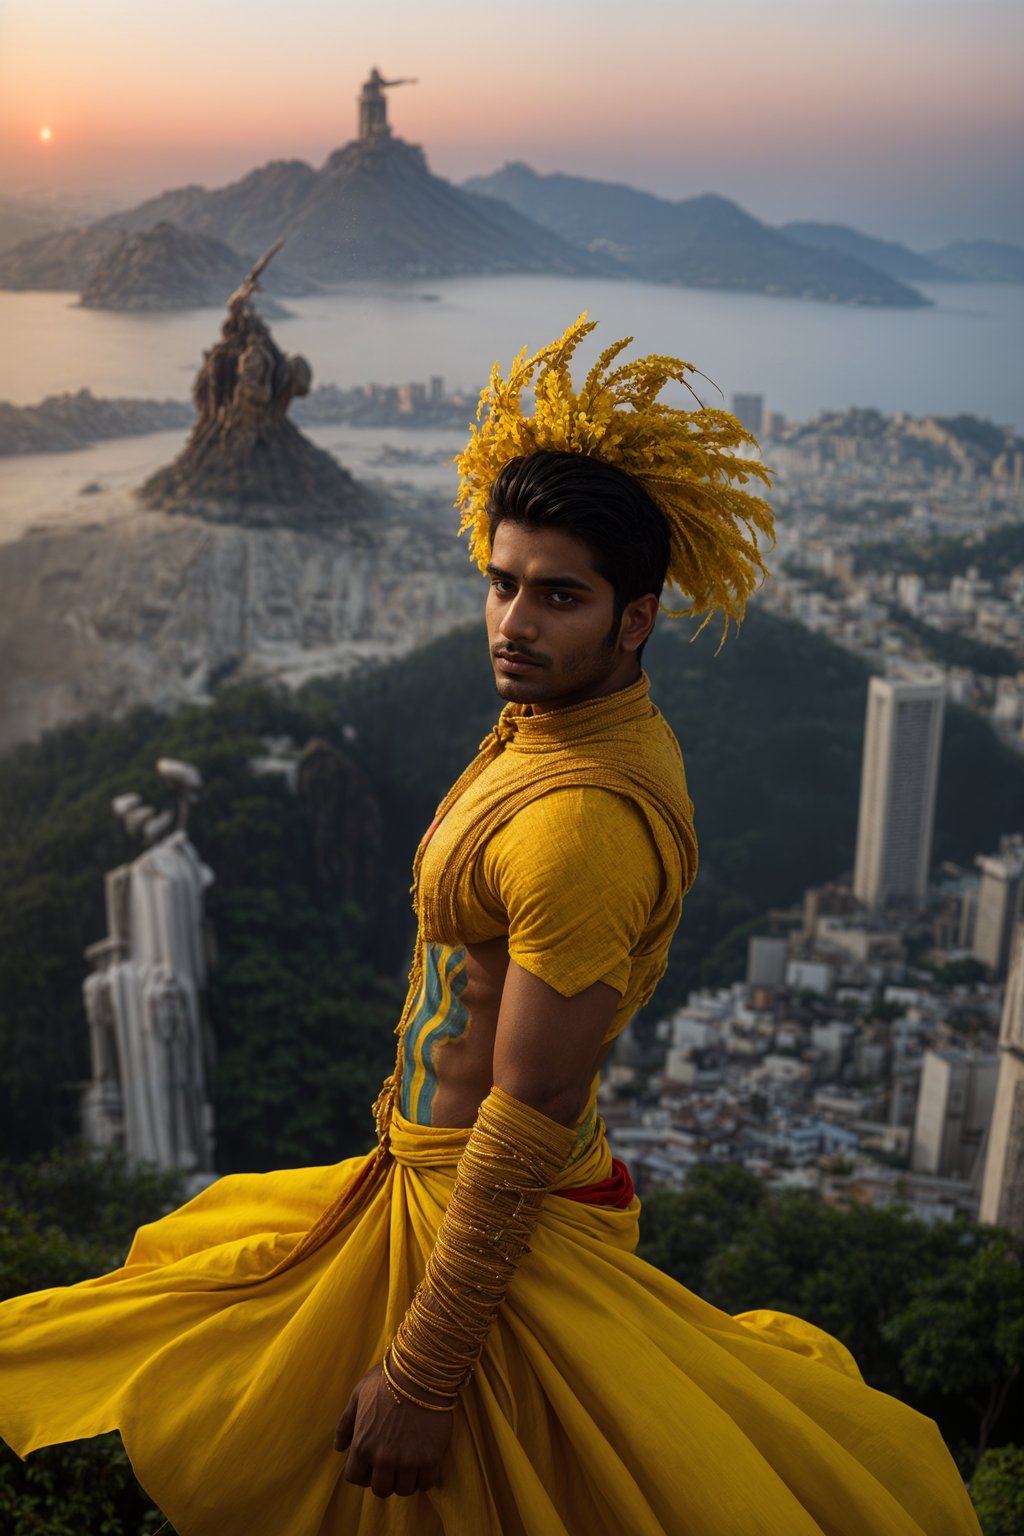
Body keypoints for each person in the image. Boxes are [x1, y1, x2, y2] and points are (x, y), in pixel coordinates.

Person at [0, 317, 980, 1536]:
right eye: (501, 582)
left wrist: (425, 1370)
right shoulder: (563, 731)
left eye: (559, 596)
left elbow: (527, 1110)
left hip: (476, 1226)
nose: (513, 621)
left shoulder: (580, 825)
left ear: (636, 618)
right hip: (416, 1183)